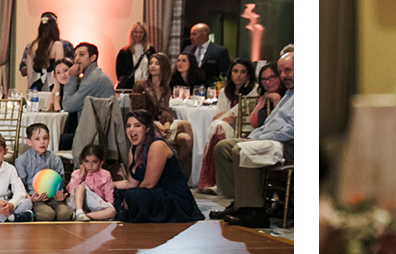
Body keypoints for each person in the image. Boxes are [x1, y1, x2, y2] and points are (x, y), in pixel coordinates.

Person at [212, 55, 296, 229]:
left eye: (287, 70)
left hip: (288, 145)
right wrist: (254, 136)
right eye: (281, 71)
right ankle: (238, 203)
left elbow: (292, 130)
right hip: (272, 140)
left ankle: (255, 212)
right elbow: (267, 124)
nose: (284, 75)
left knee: (241, 151)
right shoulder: (289, 94)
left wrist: (260, 138)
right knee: (223, 147)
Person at [112, 110, 198, 222]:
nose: (131, 130)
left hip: (172, 198)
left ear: (147, 128)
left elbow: (149, 184)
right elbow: (131, 183)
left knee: (132, 196)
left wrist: (127, 199)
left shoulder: (157, 145)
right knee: (115, 193)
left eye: (137, 125)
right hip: (152, 192)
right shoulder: (133, 149)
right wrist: (106, 184)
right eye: (128, 126)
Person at [198, 59, 261, 191]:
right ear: (230, 74)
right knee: (219, 127)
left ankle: (219, 184)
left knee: (218, 127)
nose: (238, 75)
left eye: (242, 72)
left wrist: (225, 117)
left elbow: (253, 116)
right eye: (235, 71)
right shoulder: (224, 91)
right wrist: (225, 119)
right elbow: (218, 116)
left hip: (247, 130)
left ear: (249, 75)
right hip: (227, 127)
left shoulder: (255, 91)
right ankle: (215, 182)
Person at [59, 42, 115, 150]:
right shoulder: (90, 77)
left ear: (93, 57)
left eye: (81, 54)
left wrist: (71, 77)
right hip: (93, 131)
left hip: (95, 136)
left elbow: (68, 105)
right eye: (75, 55)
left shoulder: (94, 79)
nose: (77, 59)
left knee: (53, 140)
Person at [14, 123, 71, 221]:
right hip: (35, 199)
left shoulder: (55, 159)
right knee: (47, 214)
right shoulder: (22, 160)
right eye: (37, 139)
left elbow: (61, 181)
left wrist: (60, 193)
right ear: (29, 142)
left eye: (45, 138)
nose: (42, 142)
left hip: (53, 198)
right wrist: (30, 198)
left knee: (65, 214)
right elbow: (20, 185)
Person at [19, 11, 73, 91]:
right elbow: (58, 69)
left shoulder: (31, 46)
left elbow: (30, 73)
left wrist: (29, 88)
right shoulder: (57, 45)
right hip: (52, 84)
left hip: (36, 84)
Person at [68, 143, 116, 221]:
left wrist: (108, 207)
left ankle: (85, 216)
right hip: (80, 204)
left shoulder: (105, 174)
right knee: (80, 187)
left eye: (94, 162)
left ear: (101, 162)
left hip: (97, 204)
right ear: (82, 161)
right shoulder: (77, 173)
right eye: (86, 161)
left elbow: (109, 195)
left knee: (112, 211)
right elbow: (71, 190)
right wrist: (80, 176)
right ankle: (79, 212)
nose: (90, 165)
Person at [114, 21, 152, 89]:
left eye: (141, 32)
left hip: (147, 87)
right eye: (136, 32)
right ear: (132, 34)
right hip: (129, 87)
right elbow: (119, 73)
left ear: (144, 34)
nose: (138, 35)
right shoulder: (124, 52)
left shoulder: (150, 50)